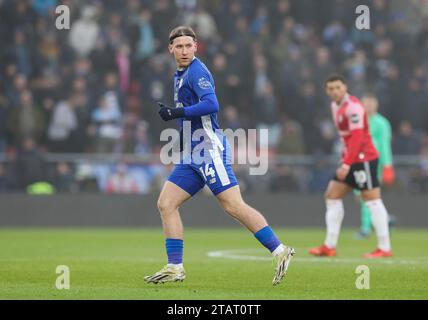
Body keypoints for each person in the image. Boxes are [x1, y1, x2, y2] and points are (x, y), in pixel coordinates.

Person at [144, 26, 295, 285]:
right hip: (192, 153)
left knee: (233, 205)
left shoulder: (197, 71)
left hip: (209, 149)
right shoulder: (179, 75)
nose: (183, 50)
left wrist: (176, 114)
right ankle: (175, 266)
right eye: (178, 46)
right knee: (166, 203)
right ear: (170, 49)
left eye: (188, 45)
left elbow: (212, 104)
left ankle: (280, 251)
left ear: (195, 47)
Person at [309, 75, 392, 258]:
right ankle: (329, 246)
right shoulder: (334, 106)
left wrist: (347, 163)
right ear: (326, 91)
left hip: (364, 159)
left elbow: (357, 137)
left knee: (372, 200)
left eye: (338, 87)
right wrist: (344, 157)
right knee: (332, 195)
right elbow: (346, 138)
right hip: (351, 159)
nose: (334, 91)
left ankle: (384, 247)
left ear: (345, 88)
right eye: (330, 88)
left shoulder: (353, 107)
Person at [355, 95, 395, 239]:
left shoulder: (381, 123)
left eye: (371, 103)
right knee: (361, 196)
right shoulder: (357, 121)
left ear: (376, 104)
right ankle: (386, 219)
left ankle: (365, 228)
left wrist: (387, 166)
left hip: (373, 163)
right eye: (366, 103)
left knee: (368, 195)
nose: (369, 106)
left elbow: (384, 145)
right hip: (357, 162)